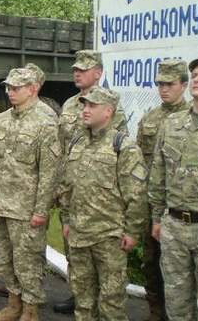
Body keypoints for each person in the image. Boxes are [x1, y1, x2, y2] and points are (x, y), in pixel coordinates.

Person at [59, 86, 148, 321]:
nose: (85, 110)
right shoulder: (77, 141)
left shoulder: (123, 146)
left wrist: (132, 231)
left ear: (108, 112)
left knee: (111, 304)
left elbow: (136, 194)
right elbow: (68, 185)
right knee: (83, 301)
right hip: (78, 235)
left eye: (92, 106)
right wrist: (66, 219)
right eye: (84, 105)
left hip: (109, 237)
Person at [54, 49, 129, 314]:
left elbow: (115, 151)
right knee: (75, 253)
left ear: (98, 73)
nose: (77, 73)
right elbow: (63, 149)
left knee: (107, 271)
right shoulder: (69, 104)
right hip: (73, 190)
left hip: (100, 198)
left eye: (83, 70)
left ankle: (101, 305)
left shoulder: (110, 105)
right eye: (75, 69)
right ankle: (79, 296)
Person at [0, 68, 60, 321]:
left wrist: (41, 210)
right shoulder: (2, 120)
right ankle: (13, 305)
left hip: (26, 209)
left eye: (16, 88)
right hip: (1, 203)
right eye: (8, 88)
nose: (10, 92)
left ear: (33, 88)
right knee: (5, 260)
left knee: (28, 262)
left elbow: (49, 173)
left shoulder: (46, 121)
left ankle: (30, 311)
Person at [149, 52, 198, 320]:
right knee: (176, 306)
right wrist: (157, 217)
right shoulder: (172, 124)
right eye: (195, 75)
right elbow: (158, 174)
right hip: (174, 227)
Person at [136, 59, 190, 320]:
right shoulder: (150, 118)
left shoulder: (194, 119)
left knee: (181, 271)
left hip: (181, 206)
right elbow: (137, 161)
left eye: (169, 84)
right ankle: (155, 312)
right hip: (151, 204)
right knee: (151, 262)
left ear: (184, 85)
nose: (163, 89)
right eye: (160, 84)